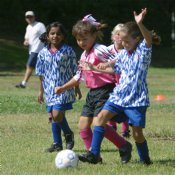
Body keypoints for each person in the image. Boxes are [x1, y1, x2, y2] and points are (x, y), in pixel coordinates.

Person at [79, 8, 161, 165]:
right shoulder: (123, 53)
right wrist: (95, 68)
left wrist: (140, 23)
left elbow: (148, 38)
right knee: (100, 119)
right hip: (118, 96)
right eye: (122, 41)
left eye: (127, 41)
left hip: (136, 99)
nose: (124, 44)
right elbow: (115, 70)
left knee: (137, 134)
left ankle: (145, 160)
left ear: (137, 39)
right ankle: (94, 155)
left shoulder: (143, 50)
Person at [55, 15, 132, 163]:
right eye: (78, 39)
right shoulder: (84, 55)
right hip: (93, 93)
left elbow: (120, 60)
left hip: (107, 90)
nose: (81, 42)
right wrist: (63, 87)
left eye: (85, 39)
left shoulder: (100, 50)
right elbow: (79, 76)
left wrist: (118, 78)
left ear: (94, 35)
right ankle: (97, 154)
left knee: (99, 122)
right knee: (83, 125)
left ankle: (106, 150)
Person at [35, 21, 82, 152]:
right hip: (49, 90)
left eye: (58, 34)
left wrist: (76, 87)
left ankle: (68, 134)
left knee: (56, 115)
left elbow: (75, 71)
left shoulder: (68, 51)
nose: (55, 36)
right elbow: (41, 74)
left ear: (63, 36)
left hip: (64, 88)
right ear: (48, 35)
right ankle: (57, 144)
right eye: (52, 33)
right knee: (55, 116)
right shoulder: (43, 53)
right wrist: (40, 91)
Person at [107, 24, 130, 138]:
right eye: (117, 34)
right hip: (110, 81)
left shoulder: (128, 50)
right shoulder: (107, 50)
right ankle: (112, 125)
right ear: (113, 36)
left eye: (122, 34)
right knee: (110, 103)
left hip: (123, 82)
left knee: (124, 105)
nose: (119, 37)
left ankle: (125, 129)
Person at [16, 11, 46, 88]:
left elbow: (46, 35)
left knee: (30, 66)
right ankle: (46, 83)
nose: (29, 18)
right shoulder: (28, 27)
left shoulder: (39, 25)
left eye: (30, 16)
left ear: (34, 17)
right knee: (40, 69)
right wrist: (26, 41)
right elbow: (27, 38)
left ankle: (24, 83)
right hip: (32, 50)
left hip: (38, 50)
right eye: (27, 17)